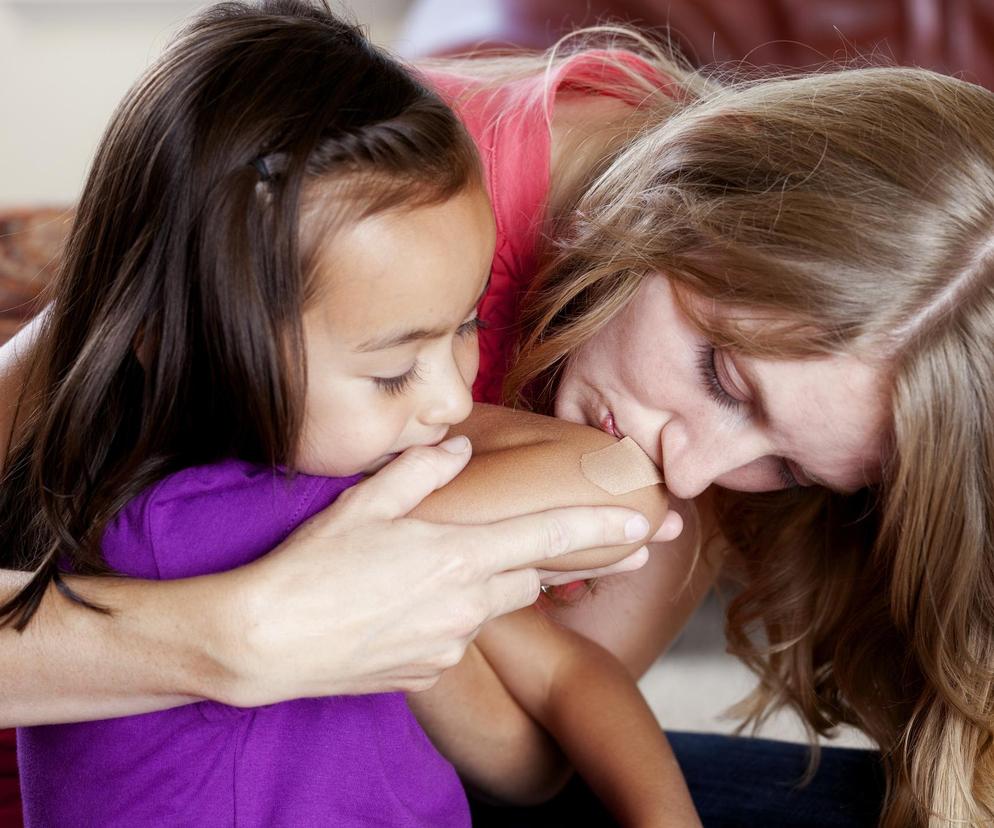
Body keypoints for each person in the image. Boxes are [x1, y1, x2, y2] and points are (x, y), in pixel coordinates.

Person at [4, 15, 992, 828]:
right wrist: (238, 636)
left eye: (788, 467)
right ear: (687, 201)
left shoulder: (654, 451)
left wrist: (402, 610)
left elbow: (531, 756)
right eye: (723, 378)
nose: (692, 478)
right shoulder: (379, 185)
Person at [2, 2, 702, 825]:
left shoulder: (348, 494)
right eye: (393, 370)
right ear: (191, 346)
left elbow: (562, 680)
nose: (451, 399)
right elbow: (620, 499)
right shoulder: (188, 527)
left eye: (468, 325)